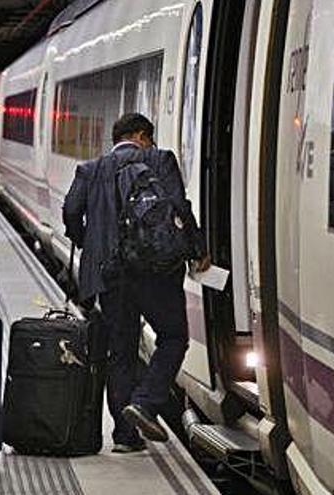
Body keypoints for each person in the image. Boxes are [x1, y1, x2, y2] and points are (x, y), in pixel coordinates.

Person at [62, 113, 209, 453]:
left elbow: (71, 211)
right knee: (173, 337)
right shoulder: (160, 160)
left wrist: (88, 240)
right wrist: (197, 249)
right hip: (156, 271)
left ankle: (125, 437)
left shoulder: (91, 169)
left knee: (121, 351)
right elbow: (178, 207)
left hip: (111, 275)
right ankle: (145, 403)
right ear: (142, 136)